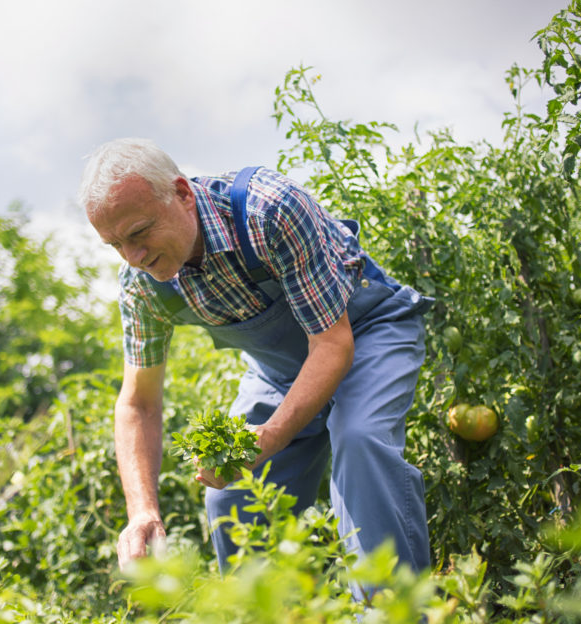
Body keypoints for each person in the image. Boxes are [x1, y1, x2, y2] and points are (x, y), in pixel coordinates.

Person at [77, 138, 432, 600]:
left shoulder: (268, 211)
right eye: (116, 245)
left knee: (360, 439)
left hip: (365, 335)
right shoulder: (142, 286)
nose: (134, 257)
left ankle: (395, 611)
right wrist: (142, 510)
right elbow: (139, 402)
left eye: (140, 232)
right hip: (279, 371)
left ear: (182, 194)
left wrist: (275, 434)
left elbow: (331, 344)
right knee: (232, 498)